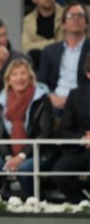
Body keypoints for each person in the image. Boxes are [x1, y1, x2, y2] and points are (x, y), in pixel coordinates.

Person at [0, 59, 54, 198]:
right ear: (8, 79)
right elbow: (1, 136)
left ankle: (34, 202)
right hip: (10, 154)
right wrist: (9, 157)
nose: (19, 78)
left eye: (23, 73)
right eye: (14, 74)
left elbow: (45, 133)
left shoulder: (42, 99)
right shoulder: (2, 101)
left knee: (25, 169)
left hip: (38, 152)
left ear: (30, 77)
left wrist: (21, 157)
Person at [37, 1, 90, 112]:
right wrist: (52, 97)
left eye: (80, 15)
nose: (76, 19)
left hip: (84, 103)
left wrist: (74, 100)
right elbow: (41, 83)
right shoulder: (50, 51)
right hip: (56, 102)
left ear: (87, 24)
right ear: (63, 24)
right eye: (71, 16)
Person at [52, 53, 90, 203]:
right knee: (58, 173)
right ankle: (82, 205)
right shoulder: (76, 95)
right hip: (80, 150)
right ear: (88, 73)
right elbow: (63, 131)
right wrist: (83, 139)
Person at [22, 0, 65, 70]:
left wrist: (38, 44)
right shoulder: (27, 21)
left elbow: (65, 44)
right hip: (38, 65)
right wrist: (53, 42)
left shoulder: (67, 15)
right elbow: (25, 47)